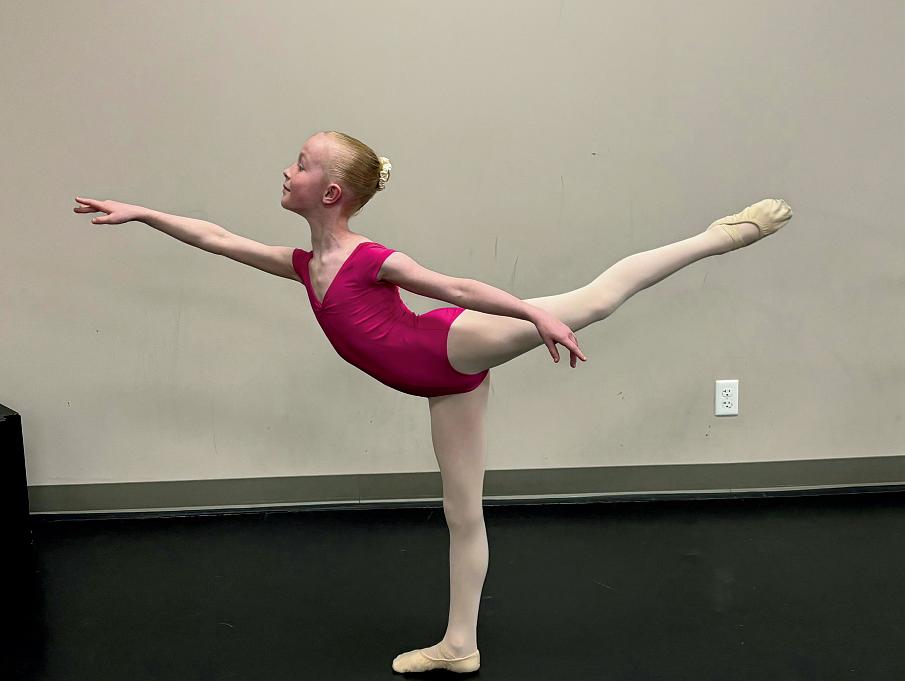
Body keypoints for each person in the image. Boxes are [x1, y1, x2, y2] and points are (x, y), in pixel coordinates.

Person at [74, 130, 793, 674]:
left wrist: (533, 314)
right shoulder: (303, 265)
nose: (287, 171)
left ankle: (719, 237)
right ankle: (459, 644)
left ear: (331, 192)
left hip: (450, 344)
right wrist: (142, 213)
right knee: (462, 513)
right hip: (441, 386)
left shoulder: (368, 259)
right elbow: (215, 237)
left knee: (594, 300)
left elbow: (454, 287)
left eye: (300, 163)